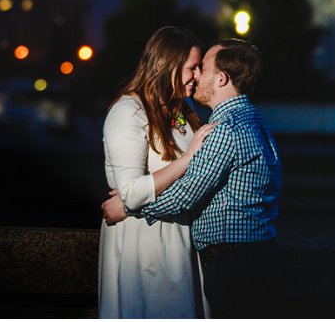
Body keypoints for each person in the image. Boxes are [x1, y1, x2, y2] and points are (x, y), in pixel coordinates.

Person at [103, 39, 282, 318]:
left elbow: (187, 192)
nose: (197, 75)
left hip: (231, 260)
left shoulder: (226, 128)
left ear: (221, 78)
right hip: (212, 253)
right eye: (193, 67)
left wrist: (126, 207)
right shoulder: (251, 119)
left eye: (202, 68)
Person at [98, 25, 216, 318]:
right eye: (192, 67)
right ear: (166, 65)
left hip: (181, 239)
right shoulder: (128, 112)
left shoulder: (183, 112)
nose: (197, 76)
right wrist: (187, 160)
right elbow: (130, 192)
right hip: (145, 244)